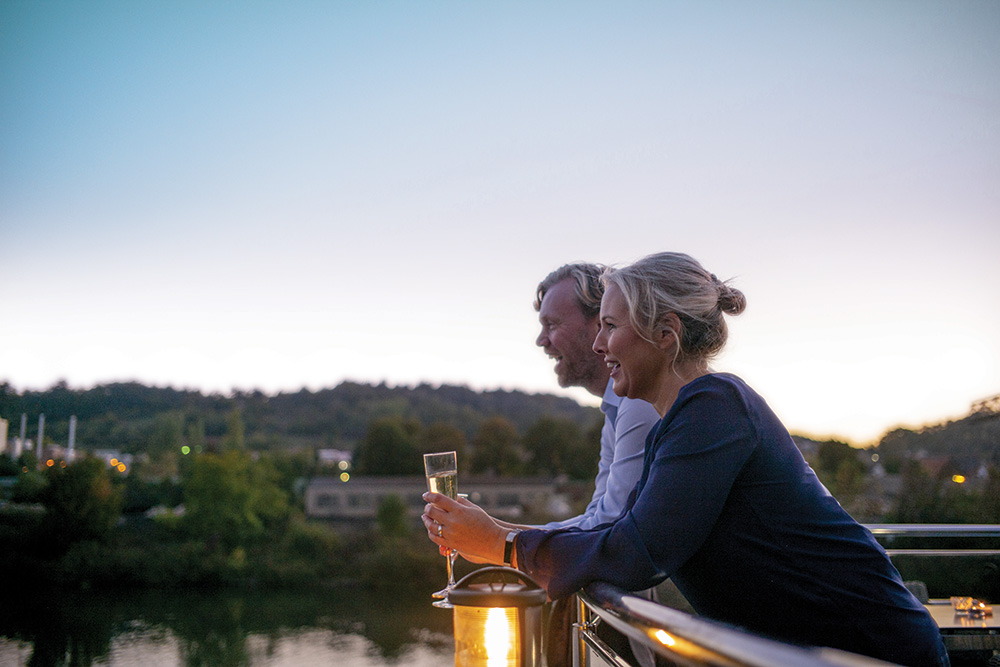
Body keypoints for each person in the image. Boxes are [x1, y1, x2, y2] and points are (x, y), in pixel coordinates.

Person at [423, 252, 949, 667]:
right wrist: (494, 533)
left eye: (610, 326)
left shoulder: (714, 406)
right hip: (807, 649)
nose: (601, 345)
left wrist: (501, 543)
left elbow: (635, 553)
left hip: (868, 652)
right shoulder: (677, 427)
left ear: (665, 335)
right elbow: (622, 537)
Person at [528, 263, 660, 531]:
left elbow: (610, 528)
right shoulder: (616, 407)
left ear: (600, 322)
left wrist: (499, 540)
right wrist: (493, 535)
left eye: (551, 325)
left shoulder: (640, 403)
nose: (541, 340)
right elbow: (595, 519)